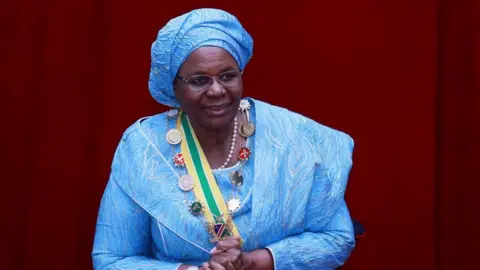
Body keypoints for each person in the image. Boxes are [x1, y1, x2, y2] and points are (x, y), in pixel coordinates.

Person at [92, 8, 356, 270]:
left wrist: (256, 262)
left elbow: (336, 238)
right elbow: (112, 260)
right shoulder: (143, 146)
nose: (217, 90)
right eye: (199, 80)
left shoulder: (294, 136)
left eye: (228, 76)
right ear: (174, 86)